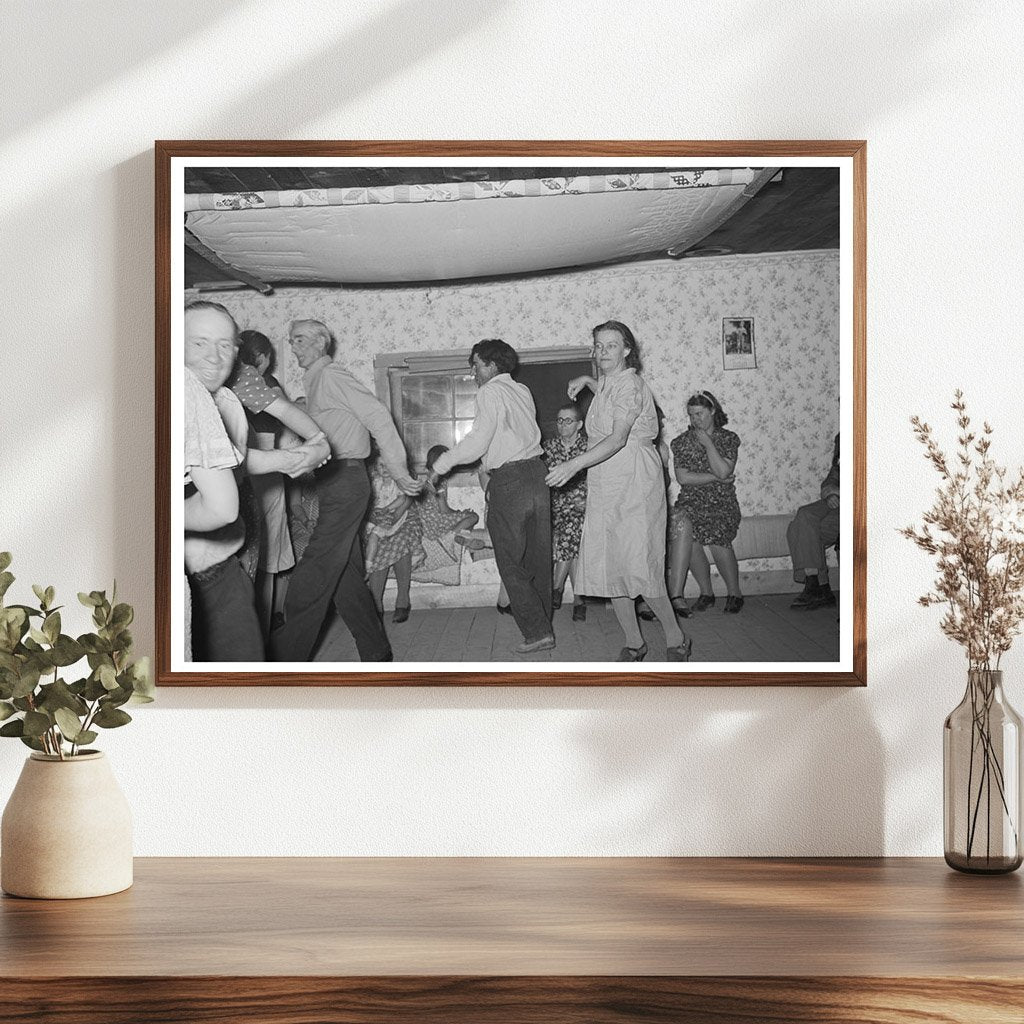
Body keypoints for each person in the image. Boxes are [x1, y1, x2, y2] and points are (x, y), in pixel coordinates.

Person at [183, 302, 329, 661]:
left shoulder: (229, 393)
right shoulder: (181, 391)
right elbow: (221, 502)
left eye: (224, 345)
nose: (214, 357)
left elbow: (233, 459)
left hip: (218, 566)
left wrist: (308, 450)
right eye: (199, 343)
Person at [271, 318, 422, 663]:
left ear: (319, 343)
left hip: (346, 481)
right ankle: (377, 652)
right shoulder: (316, 382)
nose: (292, 348)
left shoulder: (331, 376)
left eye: (298, 340)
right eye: (291, 341)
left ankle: (283, 659)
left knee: (316, 568)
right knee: (346, 576)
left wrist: (399, 471)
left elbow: (378, 416)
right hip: (334, 482)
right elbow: (326, 427)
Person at [544, 320, 690, 662]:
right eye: (598, 346)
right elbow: (610, 398)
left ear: (627, 350)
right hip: (606, 478)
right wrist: (590, 381)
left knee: (641, 565)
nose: (602, 352)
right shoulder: (610, 383)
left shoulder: (632, 385)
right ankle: (635, 642)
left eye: (611, 345)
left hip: (634, 478)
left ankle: (676, 638)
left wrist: (573, 465)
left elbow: (618, 437)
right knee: (613, 566)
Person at [429, 339, 554, 655]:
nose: (473, 371)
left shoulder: (489, 392)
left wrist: (440, 466)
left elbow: (477, 441)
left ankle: (537, 632)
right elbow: (508, 435)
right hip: (538, 474)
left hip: (511, 481)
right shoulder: (521, 390)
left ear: (491, 364)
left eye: (476, 363)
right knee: (537, 559)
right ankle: (544, 627)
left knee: (510, 561)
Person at [231, 329, 326, 633]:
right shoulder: (265, 384)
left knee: (249, 551)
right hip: (263, 472)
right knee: (267, 552)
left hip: (248, 469)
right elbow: (288, 424)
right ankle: (268, 618)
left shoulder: (246, 381)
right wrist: (309, 446)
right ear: (262, 358)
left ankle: (256, 624)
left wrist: (313, 442)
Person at [668, 390, 744, 614]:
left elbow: (724, 468)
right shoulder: (681, 442)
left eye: (700, 414)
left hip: (722, 502)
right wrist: (716, 477)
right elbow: (683, 478)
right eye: (691, 415)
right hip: (691, 501)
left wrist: (709, 444)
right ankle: (706, 592)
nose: (695, 419)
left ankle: (734, 593)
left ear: (713, 411)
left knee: (718, 538)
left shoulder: (728, 439)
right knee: (687, 537)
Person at [363, 453, 425, 624]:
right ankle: (376, 604)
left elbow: (403, 504)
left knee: (401, 540)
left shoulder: (402, 480)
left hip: (405, 518)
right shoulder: (373, 480)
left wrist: (389, 519)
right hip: (380, 519)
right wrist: (375, 517)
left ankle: (403, 600)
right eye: (381, 466)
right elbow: (369, 505)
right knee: (379, 543)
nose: (385, 469)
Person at [542, 403, 588, 622]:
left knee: (571, 529)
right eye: (559, 420)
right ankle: (579, 599)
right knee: (570, 535)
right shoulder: (548, 448)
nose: (562, 425)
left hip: (584, 507)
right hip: (555, 507)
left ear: (579, 424)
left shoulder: (590, 448)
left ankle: (556, 587)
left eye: (568, 420)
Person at [787, 433, 840, 610]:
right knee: (803, 518)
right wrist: (831, 492)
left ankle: (819, 587)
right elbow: (833, 475)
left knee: (799, 531)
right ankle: (817, 585)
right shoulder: (844, 437)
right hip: (839, 498)